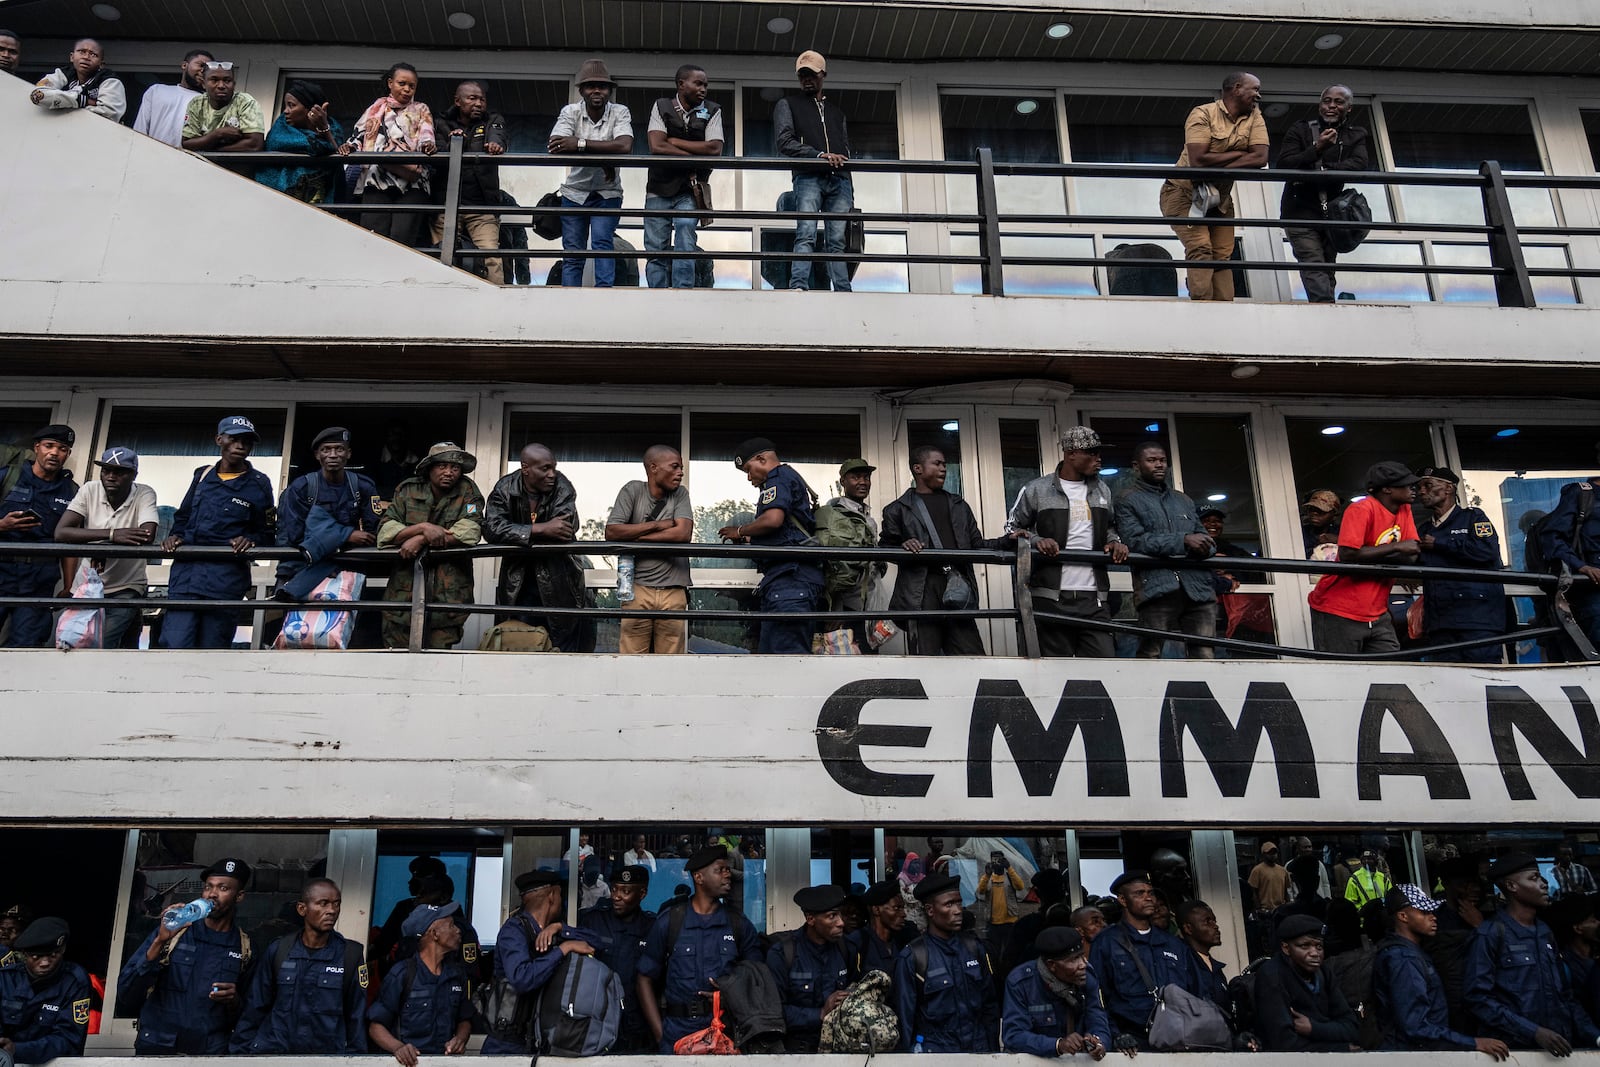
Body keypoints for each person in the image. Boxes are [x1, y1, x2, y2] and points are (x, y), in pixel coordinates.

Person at [1004, 426, 1128, 657]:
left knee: (1105, 665)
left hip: (1095, 599)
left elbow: (1110, 526)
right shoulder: (1036, 489)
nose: (1098, 459)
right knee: (1058, 671)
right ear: (1071, 453)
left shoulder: (1102, 489)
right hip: (1051, 597)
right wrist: (1037, 540)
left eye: (1099, 453)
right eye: (1092, 453)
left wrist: (1115, 541)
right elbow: (1012, 529)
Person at [1463, 853, 1600, 1055]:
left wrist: (1595, 1036)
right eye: (1533, 878)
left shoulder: (1544, 933)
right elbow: (1477, 999)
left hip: (1559, 1050)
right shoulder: (1490, 933)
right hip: (1515, 1053)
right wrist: (1534, 1032)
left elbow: (1565, 996)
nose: (1544, 883)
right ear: (1511, 886)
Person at [160, 416, 277, 650]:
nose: (240, 446)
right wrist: (175, 535)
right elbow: (183, 516)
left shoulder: (259, 484)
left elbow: (268, 534)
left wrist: (250, 540)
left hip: (225, 580)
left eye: (246, 441)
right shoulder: (202, 475)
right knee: (174, 645)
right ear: (219, 440)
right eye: (233, 439)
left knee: (213, 649)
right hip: (186, 577)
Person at [118, 858, 253, 1055]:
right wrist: (159, 941)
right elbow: (126, 992)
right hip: (158, 1051)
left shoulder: (245, 947)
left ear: (239, 896)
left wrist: (234, 1001)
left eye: (223, 888)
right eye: (208, 887)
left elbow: (250, 1016)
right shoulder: (176, 932)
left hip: (207, 1055)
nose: (212, 894)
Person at [637, 845, 764, 1052]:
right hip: (679, 1034)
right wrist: (661, 1036)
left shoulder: (738, 923)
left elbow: (757, 979)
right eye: (720, 870)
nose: (727, 875)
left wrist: (733, 995)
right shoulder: (671, 922)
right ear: (699, 877)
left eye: (728, 869)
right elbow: (644, 978)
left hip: (727, 1033)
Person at [1158, 72, 1267, 301]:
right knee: (1200, 248)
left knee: (1222, 254)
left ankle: (1224, 308)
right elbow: (1198, 160)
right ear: (1237, 88)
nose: (1258, 95)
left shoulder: (1255, 117)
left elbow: (1260, 158)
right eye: (1254, 89)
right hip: (1183, 193)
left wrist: (1218, 159)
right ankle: (1203, 307)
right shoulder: (1203, 113)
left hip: (1220, 199)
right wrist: (1239, 154)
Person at [230, 878, 367, 1053]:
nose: (331, 911)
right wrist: (240, 1054)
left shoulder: (350, 955)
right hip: (276, 1056)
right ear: (302, 909)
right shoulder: (279, 950)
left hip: (325, 1060)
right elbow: (255, 1007)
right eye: (323, 904)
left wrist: (355, 1060)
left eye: (336, 904)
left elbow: (356, 1017)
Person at [882, 445, 995, 656]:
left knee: (973, 657)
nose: (944, 468)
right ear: (918, 468)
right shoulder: (897, 509)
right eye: (937, 463)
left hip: (957, 586)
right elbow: (885, 548)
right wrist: (903, 546)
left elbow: (977, 545)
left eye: (944, 464)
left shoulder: (959, 505)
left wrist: (1010, 541)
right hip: (921, 593)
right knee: (926, 660)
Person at [1374, 883, 1509, 1057]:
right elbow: (1416, 1027)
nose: (1433, 917)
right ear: (1403, 916)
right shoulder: (1404, 959)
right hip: (1412, 1056)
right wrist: (1473, 1043)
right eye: (1424, 912)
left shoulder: (1411, 953)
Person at [484, 443, 596, 653]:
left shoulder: (562, 486)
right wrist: (540, 529)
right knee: (520, 643)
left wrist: (519, 534)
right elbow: (491, 529)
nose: (552, 474)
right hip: (518, 582)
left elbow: (564, 530)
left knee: (561, 648)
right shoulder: (505, 488)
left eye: (553, 467)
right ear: (526, 468)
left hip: (559, 580)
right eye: (544, 469)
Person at [717, 438, 825, 654]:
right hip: (787, 582)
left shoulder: (778, 477)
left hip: (790, 582)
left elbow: (773, 519)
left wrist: (739, 531)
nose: (749, 477)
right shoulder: (788, 478)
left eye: (749, 469)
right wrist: (750, 539)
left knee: (787, 661)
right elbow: (784, 532)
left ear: (761, 459)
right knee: (772, 660)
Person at [1114, 441, 1217, 658]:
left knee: (1205, 655)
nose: (1159, 465)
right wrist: (1184, 541)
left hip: (1197, 587)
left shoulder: (1183, 500)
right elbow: (1135, 541)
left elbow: (1206, 538)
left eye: (1162, 460)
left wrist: (1205, 548)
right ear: (1136, 466)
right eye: (1151, 460)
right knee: (1151, 653)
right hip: (1157, 587)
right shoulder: (1127, 499)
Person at [378, 442, 485, 650]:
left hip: (449, 594)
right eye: (442, 466)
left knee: (439, 659)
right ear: (430, 468)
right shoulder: (408, 489)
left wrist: (421, 538)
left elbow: (471, 528)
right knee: (395, 657)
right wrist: (423, 527)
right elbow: (386, 531)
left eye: (454, 468)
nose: (449, 472)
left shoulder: (468, 491)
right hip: (403, 592)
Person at [1307, 461, 1421, 654]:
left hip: (1377, 611)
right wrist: (1396, 547)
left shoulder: (1404, 509)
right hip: (1338, 609)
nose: (1413, 488)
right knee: (1343, 676)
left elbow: (1412, 553)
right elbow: (1348, 554)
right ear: (1386, 489)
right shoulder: (1361, 509)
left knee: (1390, 672)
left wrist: (1372, 554)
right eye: (1406, 484)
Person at [482, 869, 599, 1055]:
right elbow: (522, 978)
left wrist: (560, 928)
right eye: (560, 894)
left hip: (543, 1042)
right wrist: (563, 949)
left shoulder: (555, 931)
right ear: (552, 895)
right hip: (508, 1045)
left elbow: (600, 943)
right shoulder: (513, 931)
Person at [1277, 84, 1371, 303]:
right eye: (1326, 101)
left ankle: (1327, 309)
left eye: (1338, 102)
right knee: (1313, 264)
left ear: (1348, 108)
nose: (1331, 106)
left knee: (1327, 267)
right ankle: (1325, 308)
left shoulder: (1355, 134)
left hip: (1334, 213)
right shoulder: (1300, 130)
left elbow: (1359, 163)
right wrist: (1317, 148)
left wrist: (1324, 170)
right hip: (1299, 211)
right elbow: (1284, 164)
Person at [1089, 871, 1203, 1049]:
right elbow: (1096, 996)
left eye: (1151, 893)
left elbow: (1197, 991)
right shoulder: (1106, 943)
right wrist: (1115, 1034)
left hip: (1179, 1040)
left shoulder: (1174, 944)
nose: (1148, 898)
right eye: (1139, 893)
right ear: (1123, 900)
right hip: (1132, 1043)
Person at [550, 60, 633, 288]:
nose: (597, 90)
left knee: (602, 244)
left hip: (608, 192)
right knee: (573, 252)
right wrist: (605, 158)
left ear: (609, 91)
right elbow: (556, 145)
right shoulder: (571, 111)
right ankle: (570, 299)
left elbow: (624, 146)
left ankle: (603, 297)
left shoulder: (620, 111)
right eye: (591, 86)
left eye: (603, 86)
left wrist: (580, 143)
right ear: (582, 91)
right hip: (575, 192)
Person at [775, 51, 853, 292]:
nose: (807, 80)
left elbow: (845, 149)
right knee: (806, 233)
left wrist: (850, 185)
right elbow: (784, 142)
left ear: (823, 75)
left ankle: (842, 289)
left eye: (812, 75)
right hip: (808, 176)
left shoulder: (837, 112)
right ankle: (798, 285)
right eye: (802, 75)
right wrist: (819, 155)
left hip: (840, 180)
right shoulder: (787, 104)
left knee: (837, 240)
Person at [893, 871, 999, 1052]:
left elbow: (990, 1007)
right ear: (930, 910)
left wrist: (993, 1054)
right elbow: (905, 1020)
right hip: (937, 1054)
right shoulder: (914, 957)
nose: (958, 910)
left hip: (978, 1051)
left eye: (958, 902)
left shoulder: (974, 948)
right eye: (949, 904)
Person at [1412, 465, 1507, 663]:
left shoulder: (1473, 517)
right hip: (1441, 622)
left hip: (1477, 619)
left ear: (1448, 489)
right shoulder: (1424, 529)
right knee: (1448, 685)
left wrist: (1440, 544)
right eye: (1419, 487)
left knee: (1485, 679)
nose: (1421, 491)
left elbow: (1487, 552)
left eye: (1428, 485)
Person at [274, 427, 380, 601]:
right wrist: (346, 535)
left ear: (348, 453)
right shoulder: (301, 488)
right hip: (306, 571)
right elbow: (295, 534)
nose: (333, 455)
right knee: (301, 627)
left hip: (348, 571)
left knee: (344, 624)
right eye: (326, 450)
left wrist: (339, 540)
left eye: (339, 449)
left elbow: (372, 531)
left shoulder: (362, 486)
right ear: (317, 455)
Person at [606, 445, 693, 654]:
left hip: (674, 590)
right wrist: (656, 525)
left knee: (670, 664)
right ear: (653, 468)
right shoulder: (633, 490)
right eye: (674, 467)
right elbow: (612, 532)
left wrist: (636, 536)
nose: (680, 472)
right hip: (637, 590)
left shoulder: (680, 493)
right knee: (632, 660)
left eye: (681, 467)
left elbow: (682, 534)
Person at [340, 63, 437, 248]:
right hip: (377, 177)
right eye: (402, 83)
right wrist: (349, 147)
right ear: (390, 83)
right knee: (373, 237)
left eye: (412, 86)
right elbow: (359, 135)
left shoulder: (421, 108)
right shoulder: (375, 108)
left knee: (403, 239)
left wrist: (427, 145)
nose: (407, 89)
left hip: (412, 182)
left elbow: (427, 133)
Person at [645, 65, 724, 289]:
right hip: (658, 187)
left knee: (685, 234)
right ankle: (657, 293)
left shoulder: (713, 110)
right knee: (655, 245)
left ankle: (683, 290)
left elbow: (714, 150)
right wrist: (694, 155)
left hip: (689, 188)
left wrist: (676, 142)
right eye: (698, 83)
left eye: (705, 85)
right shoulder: (661, 106)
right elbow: (657, 146)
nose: (703, 89)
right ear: (681, 84)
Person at [0, 425, 78, 648]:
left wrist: (69, 583)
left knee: (26, 645)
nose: (54, 453)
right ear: (37, 448)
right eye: (49, 446)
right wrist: (2, 525)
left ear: (68, 454)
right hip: (2, 568)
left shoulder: (71, 491)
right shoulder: (8, 477)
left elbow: (69, 542)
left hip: (38, 579)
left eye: (62, 448)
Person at [367, 903, 474, 1064]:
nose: (458, 930)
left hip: (444, 1063)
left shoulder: (456, 974)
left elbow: (464, 1019)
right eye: (451, 925)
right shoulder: (402, 974)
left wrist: (460, 1039)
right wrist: (398, 1047)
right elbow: (376, 1026)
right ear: (434, 934)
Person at [431, 81, 508, 283]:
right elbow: (436, 155)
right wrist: (455, 143)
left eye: (481, 99)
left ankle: (497, 307)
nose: (478, 103)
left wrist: (495, 145)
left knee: (492, 258)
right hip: (446, 206)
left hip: (482, 206)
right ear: (458, 101)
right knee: (441, 257)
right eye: (471, 98)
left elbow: (498, 137)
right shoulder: (440, 123)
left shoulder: (492, 119)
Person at [1002, 926, 1112, 1059]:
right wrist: (1057, 1045)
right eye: (1073, 960)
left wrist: (1098, 1041)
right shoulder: (1021, 983)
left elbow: (1097, 1017)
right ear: (1052, 965)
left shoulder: (1087, 976)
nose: (1083, 964)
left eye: (1082, 956)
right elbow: (1014, 1036)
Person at [1255, 913, 1359, 1051]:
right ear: (1286, 948)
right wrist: (1341, 1047)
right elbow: (1284, 1044)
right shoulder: (1272, 976)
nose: (1314, 953)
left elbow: (1352, 1028)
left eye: (1319, 946)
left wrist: (1313, 1028)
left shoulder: (1323, 973)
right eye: (1305, 946)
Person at [579, 865, 656, 1053]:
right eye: (614, 889)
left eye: (625, 891)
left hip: (637, 1023)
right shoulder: (594, 921)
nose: (616, 896)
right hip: (599, 1021)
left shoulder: (652, 927)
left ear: (642, 893)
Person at [769, 885, 851, 1052]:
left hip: (838, 1051)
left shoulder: (846, 949)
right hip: (796, 1053)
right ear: (810, 919)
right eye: (832, 916)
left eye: (841, 914)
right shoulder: (782, 953)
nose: (841, 922)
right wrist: (820, 1013)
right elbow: (773, 1011)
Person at [814, 458, 883, 652]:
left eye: (866, 477)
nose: (863, 482)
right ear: (843, 481)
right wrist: (836, 611)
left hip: (866, 604)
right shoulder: (836, 516)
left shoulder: (867, 518)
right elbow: (833, 567)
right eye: (855, 477)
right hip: (845, 607)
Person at [0, 918, 92, 1061]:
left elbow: (69, 1040)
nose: (44, 963)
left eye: (52, 955)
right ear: (24, 955)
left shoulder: (75, 981)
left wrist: (17, 1050)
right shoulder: (5, 978)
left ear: (62, 950)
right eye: (36, 956)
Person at [256, 79, 343, 203]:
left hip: (319, 200)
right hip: (278, 198)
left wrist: (324, 130)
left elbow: (336, 157)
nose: (286, 111)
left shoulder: (333, 128)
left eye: (291, 105)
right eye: (286, 105)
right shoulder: (282, 126)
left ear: (310, 110)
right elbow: (272, 143)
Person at [998, 869, 1071, 982]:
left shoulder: (1024, 926)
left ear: (1037, 894)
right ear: (1064, 891)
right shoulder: (1079, 921)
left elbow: (1008, 967)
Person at [180, 61, 266, 155]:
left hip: (237, 167)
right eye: (214, 80)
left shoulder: (245, 102)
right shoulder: (197, 104)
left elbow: (255, 145)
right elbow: (187, 144)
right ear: (204, 84)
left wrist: (211, 148)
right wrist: (217, 134)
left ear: (234, 84)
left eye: (227, 80)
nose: (221, 85)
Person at [29, 38, 125, 121]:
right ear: (72, 57)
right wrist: (83, 101)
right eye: (82, 51)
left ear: (101, 64)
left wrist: (62, 105)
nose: (86, 57)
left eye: (93, 54)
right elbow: (37, 95)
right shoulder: (63, 74)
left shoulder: (110, 81)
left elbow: (109, 114)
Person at [132, 48, 212, 146]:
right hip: (150, 155)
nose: (203, 71)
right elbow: (140, 128)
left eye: (208, 69)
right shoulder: (157, 90)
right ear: (184, 65)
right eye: (201, 65)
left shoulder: (210, 102)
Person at [847, 880, 915, 980]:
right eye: (896, 908)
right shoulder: (858, 943)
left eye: (903, 908)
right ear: (876, 910)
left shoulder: (904, 940)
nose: (903, 914)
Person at [978, 852, 1027, 961]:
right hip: (993, 923)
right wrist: (987, 875)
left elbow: (1020, 886)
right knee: (994, 952)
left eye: (999, 860)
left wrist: (1009, 868)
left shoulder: (1009, 876)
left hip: (1010, 920)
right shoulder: (988, 877)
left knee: (1011, 952)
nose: (997, 863)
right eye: (994, 860)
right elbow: (980, 891)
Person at [1248, 842, 1293, 914]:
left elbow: (1286, 890)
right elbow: (1253, 892)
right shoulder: (1257, 870)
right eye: (1269, 853)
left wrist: (1288, 906)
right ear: (1263, 854)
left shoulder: (1283, 870)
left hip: (1281, 909)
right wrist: (1258, 909)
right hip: (1266, 910)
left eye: (1274, 852)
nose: (1273, 855)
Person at [1301, 489, 1343, 557]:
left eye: (1320, 511)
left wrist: (1339, 541)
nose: (1314, 513)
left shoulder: (1342, 532)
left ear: (1334, 516)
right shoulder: (1300, 532)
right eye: (1311, 509)